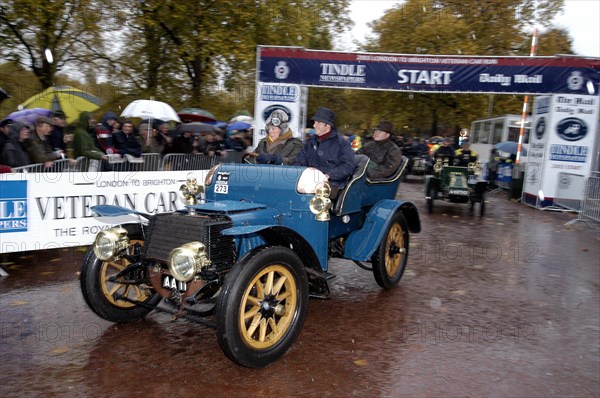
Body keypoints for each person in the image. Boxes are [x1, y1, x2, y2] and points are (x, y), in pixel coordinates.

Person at [294, 107, 355, 198]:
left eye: (318, 123)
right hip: (308, 182)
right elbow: (299, 162)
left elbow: (348, 166)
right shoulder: (309, 142)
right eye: (314, 122)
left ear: (328, 125)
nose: (314, 125)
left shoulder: (342, 143)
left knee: (311, 193)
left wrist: (329, 175)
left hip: (333, 184)